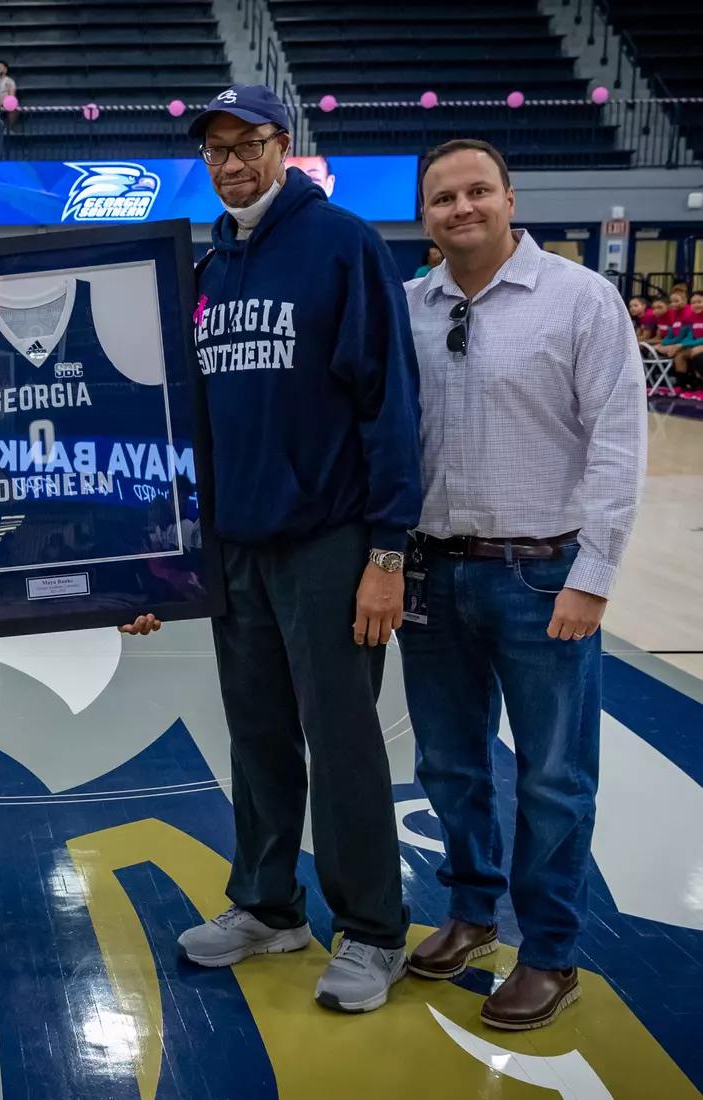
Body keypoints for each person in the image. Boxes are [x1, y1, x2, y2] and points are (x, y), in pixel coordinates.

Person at [133, 85, 423, 1013]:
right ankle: (267, 905)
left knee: (341, 742)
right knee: (257, 737)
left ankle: (374, 929)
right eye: (215, 150)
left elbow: (389, 406)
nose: (232, 163)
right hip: (238, 549)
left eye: (248, 144)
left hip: (329, 543)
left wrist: (387, 554)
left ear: (282, 146)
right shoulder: (209, 267)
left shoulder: (343, 244)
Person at [400, 139, 646, 1030]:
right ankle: (469, 912)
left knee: (551, 777)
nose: (460, 208)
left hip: (543, 575)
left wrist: (595, 576)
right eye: (442, 198)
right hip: (433, 574)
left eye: (476, 192)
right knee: (448, 764)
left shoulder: (581, 300)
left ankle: (549, 952)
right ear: (424, 214)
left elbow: (619, 443)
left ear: (509, 197)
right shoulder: (409, 309)